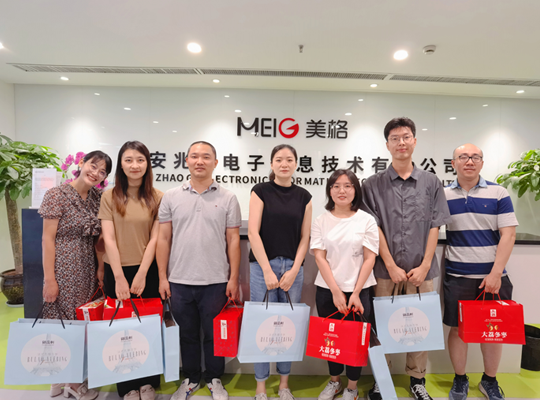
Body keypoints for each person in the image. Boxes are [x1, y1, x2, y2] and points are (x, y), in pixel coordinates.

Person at [361, 117, 452, 400]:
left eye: (406, 137)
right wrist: (389, 264)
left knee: (420, 326)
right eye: (395, 138)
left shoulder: (431, 182)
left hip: (422, 271)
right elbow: (373, 227)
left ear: (414, 141)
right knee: (382, 325)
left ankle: (417, 380)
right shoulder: (372, 184)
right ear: (387, 145)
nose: (401, 142)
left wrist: (425, 265)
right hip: (384, 271)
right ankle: (381, 380)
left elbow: (435, 225)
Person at [156, 141, 241, 400]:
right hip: (179, 280)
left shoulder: (228, 197)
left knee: (215, 335)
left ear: (215, 162)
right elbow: (163, 239)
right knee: (187, 334)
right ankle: (191, 378)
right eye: (194, 156)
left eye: (206, 157)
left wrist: (233, 278)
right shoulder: (171, 196)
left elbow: (233, 240)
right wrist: (162, 277)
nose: (199, 161)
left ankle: (215, 378)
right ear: (187, 161)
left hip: (216, 280)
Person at [444, 144, 518, 400]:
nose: (469, 161)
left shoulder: (498, 192)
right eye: (463, 157)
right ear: (453, 163)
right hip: (457, 275)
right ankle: (460, 379)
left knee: (493, 331)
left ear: (482, 163)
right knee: (457, 330)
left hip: (494, 277)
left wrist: (496, 273)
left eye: (475, 157)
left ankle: (489, 380)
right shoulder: (443, 195)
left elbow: (508, 234)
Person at [40, 150, 112, 400]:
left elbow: (99, 240)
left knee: (80, 320)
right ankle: (72, 382)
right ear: (81, 163)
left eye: (102, 171)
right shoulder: (56, 194)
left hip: (87, 266)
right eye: (93, 166)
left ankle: (60, 378)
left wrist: (100, 268)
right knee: (64, 322)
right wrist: (50, 279)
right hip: (63, 265)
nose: (96, 173)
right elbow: (47, 239)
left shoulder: (97, 197)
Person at [98, 141, 164, 400]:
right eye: (128, 160)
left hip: (147, 271)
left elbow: (155, 239)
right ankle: (126, 385)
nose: (135, 165)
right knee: (121, 331)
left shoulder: (157, 197)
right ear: (121, 165)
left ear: (147, 164)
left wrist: (142, 273)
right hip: (116, 270)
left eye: (140, 160)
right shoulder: (109, 196)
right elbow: (108, 239)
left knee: (147, 328)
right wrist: (119, 278)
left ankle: (148, 382)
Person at [248, 144, 312, 400]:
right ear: (271, 164)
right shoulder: (260, 191)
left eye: (289, 160)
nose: (284, 164)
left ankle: (284, 384)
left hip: (292, 269)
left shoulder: (304, 196)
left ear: (296, 163)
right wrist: (266, 270)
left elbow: (305, 237)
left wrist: (295, 270)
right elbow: (253, 232)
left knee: (287, 327)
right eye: (278, 159)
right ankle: (261, 386)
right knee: (262, 327)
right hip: (262, 267)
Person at [311, 169, 378, 400]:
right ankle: (334, 382)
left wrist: (355, 292)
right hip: (328, 290)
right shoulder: (321, 220)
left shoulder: (366, 220)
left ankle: (352, 387)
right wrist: (336, 291)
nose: (342, 190)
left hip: (360, 291)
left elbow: (369, 258)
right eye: (336, 186)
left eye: (348, 186)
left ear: (355, 190)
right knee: (331, 340)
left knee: (355, 342)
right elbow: (320, 257)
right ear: (329, 190)